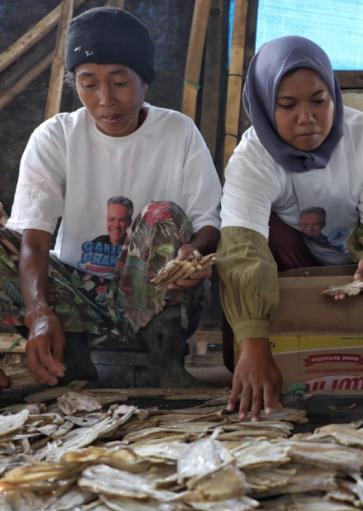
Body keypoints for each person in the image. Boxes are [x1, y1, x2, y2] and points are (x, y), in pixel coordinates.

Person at [0, 7, 222, 391]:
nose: (105, 99)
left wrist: (194, 253)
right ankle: (71, 355)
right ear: (75, 83)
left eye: (119, 82)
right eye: (89, 83)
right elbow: (33, 241)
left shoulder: (178, 133)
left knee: (161, 215)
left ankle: (161, 357)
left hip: (153, 294)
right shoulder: (55, 137)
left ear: (145, 80)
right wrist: (38, 313)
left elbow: (209, 223)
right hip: (75, 296)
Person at [217, 36, 363, 420]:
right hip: (290, 262)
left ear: (334, 95)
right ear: (267, 105)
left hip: (354, 264)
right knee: (248, 239)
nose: (307, 117)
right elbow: (243, 249)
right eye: (288, 105)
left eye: (319, 100)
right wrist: (253, 344)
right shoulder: (252, 157)